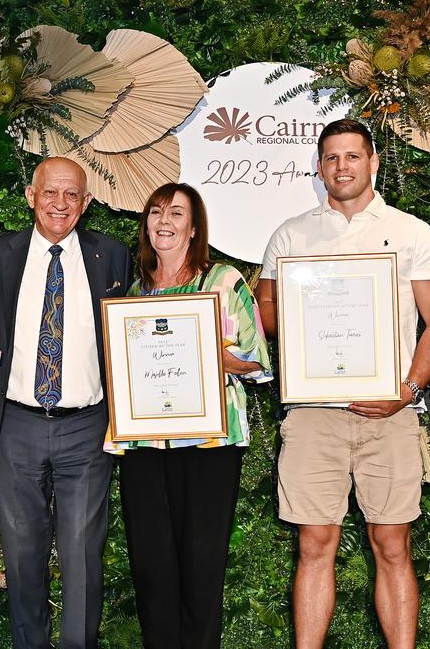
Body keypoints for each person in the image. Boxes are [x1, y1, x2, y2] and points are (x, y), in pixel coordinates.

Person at [255, 119, 430, 649]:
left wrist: (405, 392)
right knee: (315, 543)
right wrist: (283, 303)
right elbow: (265, 316)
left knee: (392, 544)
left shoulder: (413, 233)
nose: (342, 166)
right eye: (332, 158)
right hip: (314, 414)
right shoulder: (291, 234)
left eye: (353, 156)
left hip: (392, 412)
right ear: (319, 168)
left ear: (373, 162)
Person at [0, 157, 132, 649]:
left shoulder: (114, 256)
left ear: (86, 203)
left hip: (86, 428)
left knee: (83, 556)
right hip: (15, 424)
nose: (60, 204)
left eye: (72, 196)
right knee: (21, 556)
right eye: (51, 193)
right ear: (30, 195)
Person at [106, 183, 272, 648]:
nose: (164, 221)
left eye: (176, 213)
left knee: (202, 563)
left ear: (193, 227)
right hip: (143, 443)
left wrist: (207, 349)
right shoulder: (133, 292)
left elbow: (258, 361)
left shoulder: (224, 280)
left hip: (209, 445)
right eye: (156, 212)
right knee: (151, 564)